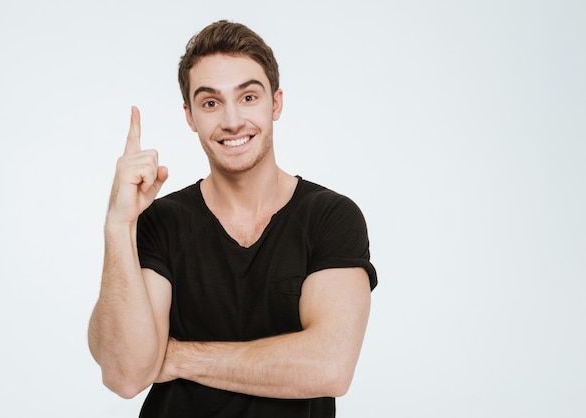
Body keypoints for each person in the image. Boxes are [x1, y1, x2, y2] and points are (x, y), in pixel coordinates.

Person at [88, 20, 378, 418]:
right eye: (210, 103)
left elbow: (329, 366)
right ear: (190, 116)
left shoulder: (330, 217)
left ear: (275, 103)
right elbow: (125, 374)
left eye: (248, 97)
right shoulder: (161, 222)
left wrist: (176, 359)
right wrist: (118, 225)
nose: (232, 121)